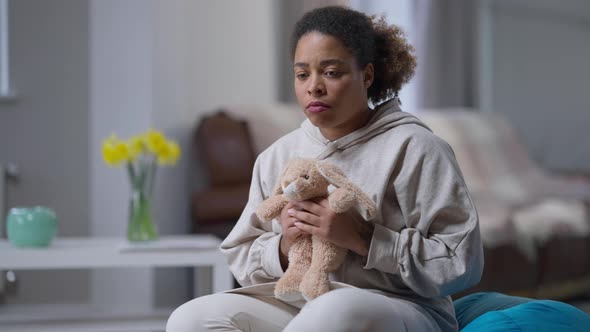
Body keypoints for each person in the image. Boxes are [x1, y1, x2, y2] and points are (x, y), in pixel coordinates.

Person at [167, 6, 483, 332]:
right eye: (302, 74)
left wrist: (365, 238)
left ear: (368, 75)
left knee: (335, 310)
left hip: (399, 307)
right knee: (189, 319)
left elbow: (461, 263)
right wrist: (285, 245)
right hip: (300, 304)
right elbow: (240, 253)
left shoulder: (416, 148)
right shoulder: (278, 155)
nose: (313, 87)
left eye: (331, 72)